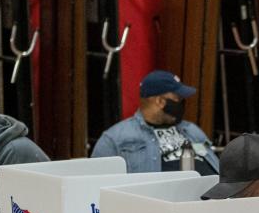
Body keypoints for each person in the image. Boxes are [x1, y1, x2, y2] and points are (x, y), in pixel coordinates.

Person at [91, 70, 219, 175]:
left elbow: (216, 165)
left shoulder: (191, 129)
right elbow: (95, 183)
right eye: (178, 99)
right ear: (160, 101)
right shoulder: (115, 138)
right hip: (166, 202)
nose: (181, 104)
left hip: (214, 198)